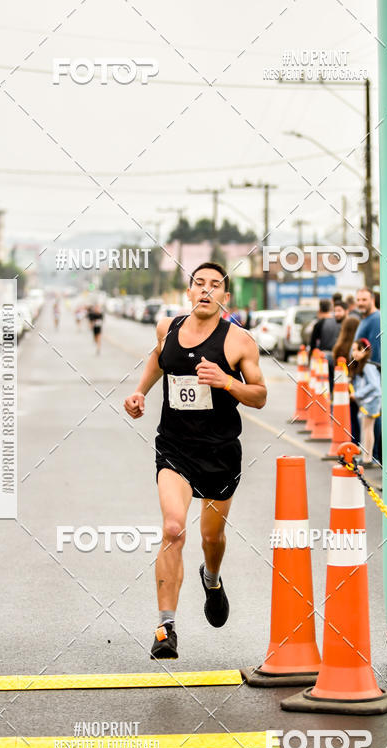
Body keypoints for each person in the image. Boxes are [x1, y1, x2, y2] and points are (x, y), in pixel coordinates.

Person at [124, 262, 267, 660]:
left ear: (225, 297)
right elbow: (159, 358)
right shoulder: (167, 327)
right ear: (188, 292)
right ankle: (165, 627)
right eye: (198, 283)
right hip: (175, 447)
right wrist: (140, 392)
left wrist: (226, 381)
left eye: (214, 285)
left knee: (210, 538)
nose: (206, 290)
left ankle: (212, 577)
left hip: (220, 451)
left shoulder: (239, 342)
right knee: (173, 528)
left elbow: (259, 395)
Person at [349, 338, 381, 468]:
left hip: (371, 401)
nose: (355, 353)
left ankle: (367, 458)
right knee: (366, 429)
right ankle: (365, 455)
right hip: (368, 401)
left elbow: (375, 386)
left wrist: (357, 394)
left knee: (367, 429)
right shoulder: (362, 365)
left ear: (366, 351)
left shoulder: (367, 366)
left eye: (358, 349)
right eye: (353, 350)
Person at [333, 316, 361, 444]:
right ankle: (358, 443)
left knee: (346, 416)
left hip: (342, 387)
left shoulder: (339, 348)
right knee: (357, 417)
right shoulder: (356, 348)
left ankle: (348, 442)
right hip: (355, 385)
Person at [306, 299, 340, 390]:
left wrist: (310, 360)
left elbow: (313, 343)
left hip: (323, 357)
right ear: (330, 308)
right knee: (336, 381)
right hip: (336, 355)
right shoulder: (337, 322)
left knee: (324, 383)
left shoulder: (319, 324)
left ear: (320, 309)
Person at [355, 288, 381, 365]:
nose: (360, 303)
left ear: (372, 300)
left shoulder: (376, 319)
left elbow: (375, 349)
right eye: (358, 300)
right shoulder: (365, 318)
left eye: (364, 300)